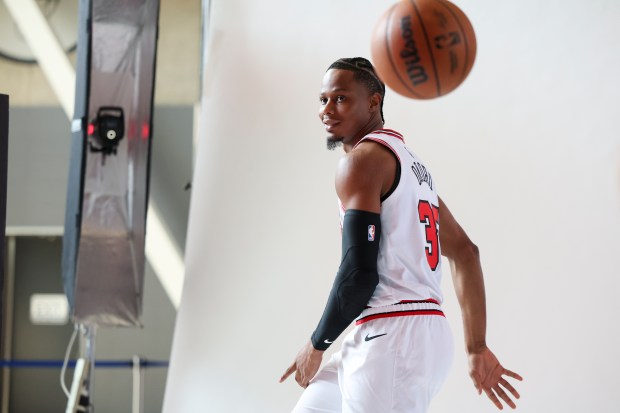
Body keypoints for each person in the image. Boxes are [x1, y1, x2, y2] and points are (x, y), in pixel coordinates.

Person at [280, 57, 522, 413]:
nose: (328, 109)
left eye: (341, 98)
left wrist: (316, 345)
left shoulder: (361, 162)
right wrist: (476, 347)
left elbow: (359, 273)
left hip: (395, 334)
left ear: (374, 101)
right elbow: (466, 252)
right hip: (400, 332)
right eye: (323, 100)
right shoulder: (412, 167)